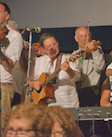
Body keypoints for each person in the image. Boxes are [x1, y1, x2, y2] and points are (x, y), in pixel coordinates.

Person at [28, 33, 81, 107]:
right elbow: (26, 83)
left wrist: (68, 70)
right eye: (49, 46)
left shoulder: (67, 58)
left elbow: (78, 77)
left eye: (54, 44)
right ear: (43, 49)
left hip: (68, 104)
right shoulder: (37, 62)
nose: (53, 48)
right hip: (46, 105)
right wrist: (33, 84)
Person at [0, 2, 23, 130]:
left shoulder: (14, 36)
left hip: (2, 86)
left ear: (6, 16)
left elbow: (9, 66)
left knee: (2, 128)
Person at [73, 26, 106, 107]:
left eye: (86, 36)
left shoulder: (96, 49)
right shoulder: (74, 55)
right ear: (76, 38)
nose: (84, 39)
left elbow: (100, 67)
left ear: (90, 37)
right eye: (81, 36)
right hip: (76, 91)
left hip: (92, 91)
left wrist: (94, 51)